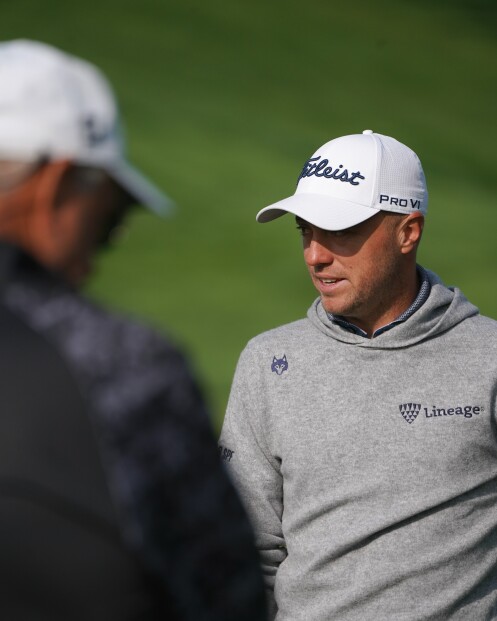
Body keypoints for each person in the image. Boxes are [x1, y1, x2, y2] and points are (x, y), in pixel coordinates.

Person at [0, 39, 266, 620]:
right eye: (109, 221)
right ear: (55, 186)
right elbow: (227, 599)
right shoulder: (122, 367)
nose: (99, 257)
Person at [219, 129, 497, 620]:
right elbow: (245, 556)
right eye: (305, 230)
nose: (314, 255)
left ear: (408, 231)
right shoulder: (268, 362)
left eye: (339, 231)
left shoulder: (488, 358)